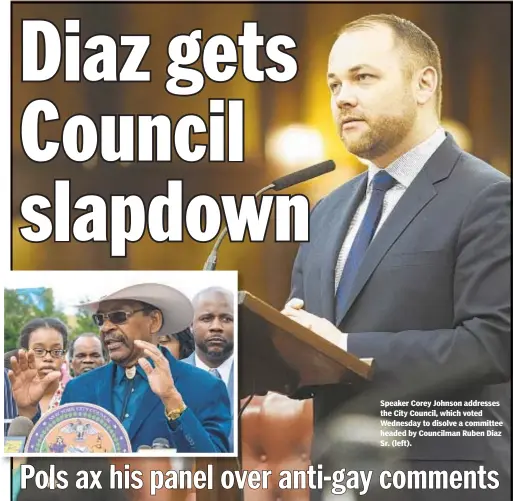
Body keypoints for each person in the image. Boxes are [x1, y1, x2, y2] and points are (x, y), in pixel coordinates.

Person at [282, 14, 510, 501]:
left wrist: (347, 349)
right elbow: (306, 344)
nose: (342, 96)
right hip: (337, 476)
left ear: (424, 83)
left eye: (363, 77)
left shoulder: (489, 197)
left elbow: (493, 343)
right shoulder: (326, 212)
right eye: (334, 83)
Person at [8, 283, 231, 453]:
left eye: (118, 316)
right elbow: (53, 464)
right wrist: (27, 413)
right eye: (100, 319)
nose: (106, 327)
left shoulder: (206, 387)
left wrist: (172, 400)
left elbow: (213, 471)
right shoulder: (80, 389)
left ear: (153, 321)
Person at [183, 287, 235, 449]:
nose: (216, 327)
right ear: (191, 325)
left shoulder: (255, 374)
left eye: (226, 319)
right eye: (206, 318)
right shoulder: (170, 377)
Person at [10, 318, 69, 414]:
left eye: (56, 351)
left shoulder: (75, 395)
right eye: (39, 351)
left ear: (63, 356)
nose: (48, 358)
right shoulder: (8, 396)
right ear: (25, 353)